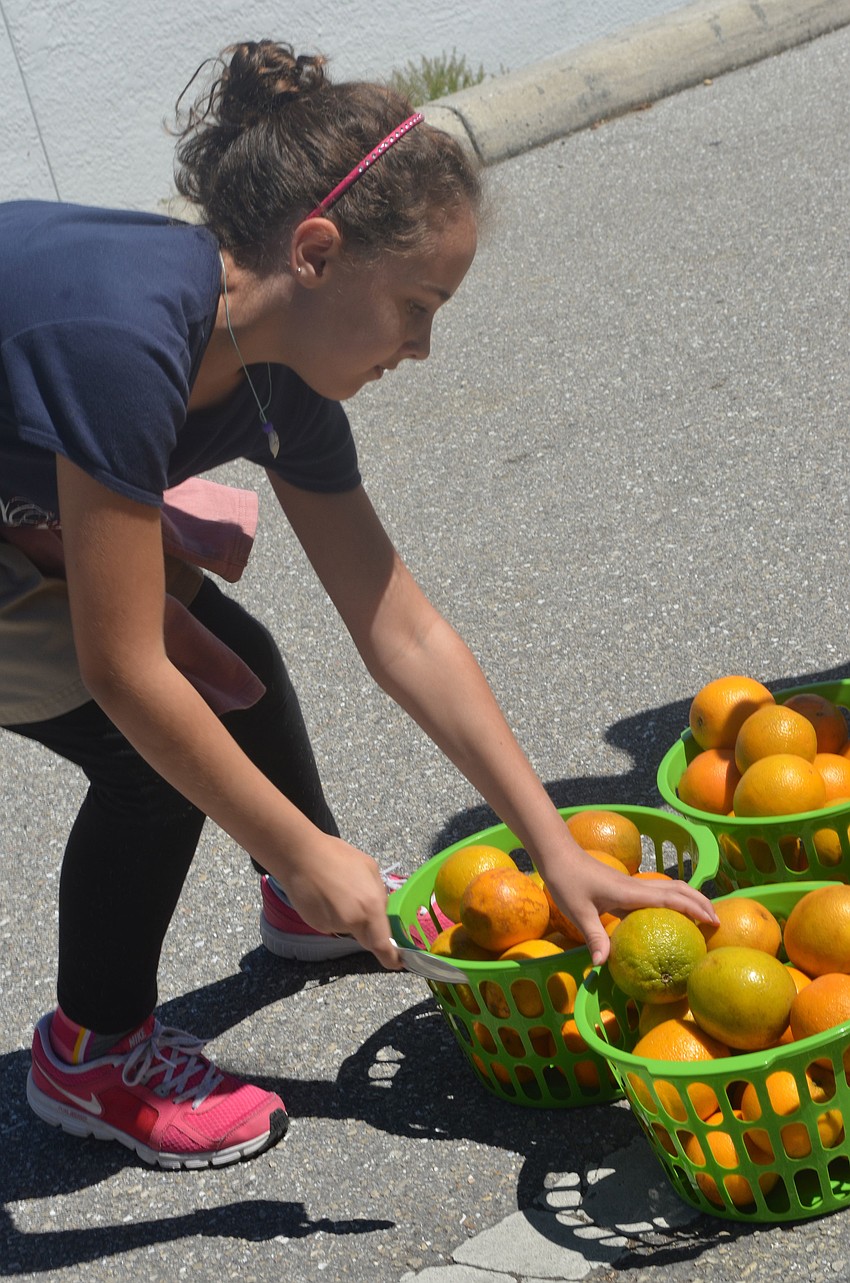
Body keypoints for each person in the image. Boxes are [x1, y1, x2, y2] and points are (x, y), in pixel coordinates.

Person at [0, 39, 717, 1171]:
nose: (424, 347)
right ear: (319, 251)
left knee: (236, 665)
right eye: (416, 305)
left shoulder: (278, 372)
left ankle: (300, 907)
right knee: (148, 756)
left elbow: (401, 625)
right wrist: (297, 842)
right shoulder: (123, 339)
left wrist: (552, 843)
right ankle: (89, 1053)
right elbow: (123, 669)